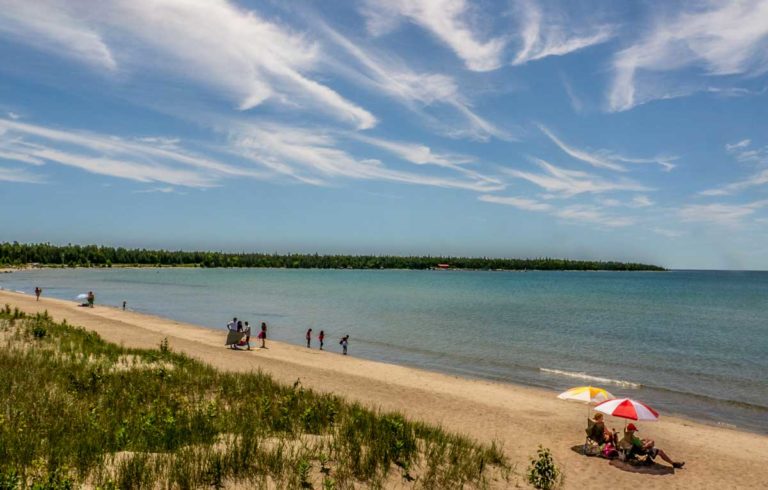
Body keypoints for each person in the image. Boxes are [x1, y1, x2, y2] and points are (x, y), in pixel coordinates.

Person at [620, 423, 685, 468]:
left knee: (648, 440)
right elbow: (641, 447)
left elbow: (626, 430)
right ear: (631, 431)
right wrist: (647, 445)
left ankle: (673, 463)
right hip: (642, 449)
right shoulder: (631, 437)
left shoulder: (627, 436)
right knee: (659, 450)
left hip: (640, 447)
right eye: (633, 430)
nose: (634, 431)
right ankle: (673, 463)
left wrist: (643, 441)